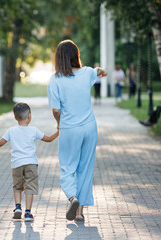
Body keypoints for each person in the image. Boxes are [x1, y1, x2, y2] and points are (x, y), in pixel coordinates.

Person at [47, 40, 106, 221]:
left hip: (69, 129)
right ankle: (79, 212)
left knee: (67, 168)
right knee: (85, 169)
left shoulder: (55, 79)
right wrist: (101, 70)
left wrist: (59, 123)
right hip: (89, 127)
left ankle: (72, 197)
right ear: (76, 56)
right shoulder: (87, 73)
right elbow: (98, 71)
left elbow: (56, 110)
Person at [0, 103, 58, 222]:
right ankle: (28, 213)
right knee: (30, 188)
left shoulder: (11, 131)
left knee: (17, 187)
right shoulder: (33, 130)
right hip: (31, 164)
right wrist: (59, 131)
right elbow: (48, 139)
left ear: (14, 117)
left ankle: (18, 207)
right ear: (29, 116)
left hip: (16, 164)